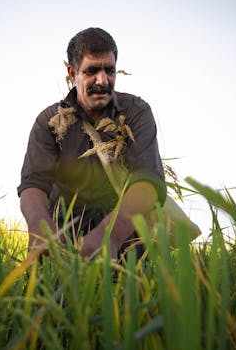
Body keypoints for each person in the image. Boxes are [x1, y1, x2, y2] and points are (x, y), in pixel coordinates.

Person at [18, 27, 183, 260]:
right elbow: (33, 183)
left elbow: (147, 183)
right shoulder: (49, 121)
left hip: (124, 237)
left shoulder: (136, 113)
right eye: (92, 70)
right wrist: (40, 226)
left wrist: (110, 236)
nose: (102, 80)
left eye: (110, 70)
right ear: (71, 72)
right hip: (62, 239)